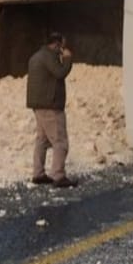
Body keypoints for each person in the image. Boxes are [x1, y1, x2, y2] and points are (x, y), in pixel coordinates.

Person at [26, 32, 78, 188]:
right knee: (60, 140)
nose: (63, 49)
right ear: (56, 44)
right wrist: (68, 58)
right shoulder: (49, 57)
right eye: (62, 46)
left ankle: (38, 173)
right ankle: (58, 175)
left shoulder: (37, 56)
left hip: (39, 104)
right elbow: (60, 72)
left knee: (42, 140)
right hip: (50, 104)